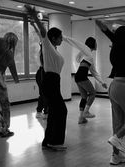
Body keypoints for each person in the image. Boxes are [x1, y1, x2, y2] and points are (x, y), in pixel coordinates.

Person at [96, 20, 125, 165]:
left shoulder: (118, 48)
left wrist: (104, 28)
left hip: (114, 86)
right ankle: (117, 139)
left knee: (118, 123)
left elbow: (112, 36)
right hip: (123, 86)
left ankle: (115, 156)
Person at [25, 5, 67, 151]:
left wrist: (35, 25)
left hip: (54, 81)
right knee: (60, 111)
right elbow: (43, 33)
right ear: (54, 38)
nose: (62, 39)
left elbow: (41, 34)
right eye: (60, 37)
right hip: (50, 80)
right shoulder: (48, 47)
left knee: (56, 111)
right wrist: (35, 17)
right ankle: (53, 141)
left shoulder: (53, 50)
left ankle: (48, 141)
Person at [63, 36, 107, 124]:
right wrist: (62, 37)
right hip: (82, 76)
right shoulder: (86, 50)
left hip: (78, 76)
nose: (96, 44)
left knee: (84, 97)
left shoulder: (89, 55)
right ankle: (86, 112)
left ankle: (81, 118)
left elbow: (94, 72)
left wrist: (102, 82)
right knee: (93, 93)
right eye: (95, 43)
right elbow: (74, 42)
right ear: (92, 44)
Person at [30, 22, 48, 119]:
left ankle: (40, 111)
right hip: (42, 73)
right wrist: (35, 26)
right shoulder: (45, 47)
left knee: (43, 93)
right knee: (44, 93)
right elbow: (41, 34)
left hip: (44, 72)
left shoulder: (48, 48)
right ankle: (44, 112)